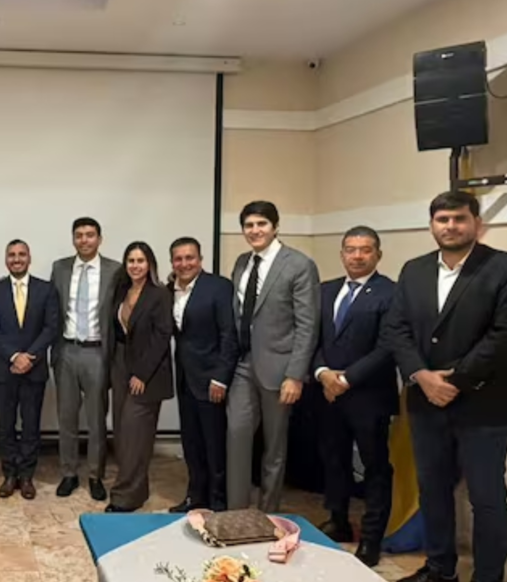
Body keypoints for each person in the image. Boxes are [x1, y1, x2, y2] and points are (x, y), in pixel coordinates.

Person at [384, 191, 507, 582]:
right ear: (432, 225)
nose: (450, 226)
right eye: (442, 219)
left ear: (476, 224)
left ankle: (488, 577)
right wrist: (421, 376)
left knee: (486, 499)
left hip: (484, 406)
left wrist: (455, 381)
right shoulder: (414, 270)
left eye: (459, 219)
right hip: (425, 402)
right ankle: (439, 570)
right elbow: (396, 329)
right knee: (433, 492)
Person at [227, 200, 320, 512]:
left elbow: (307, 325)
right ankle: (236, 512)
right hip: (243, 364)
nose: (255, 231)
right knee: (236, 435)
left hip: (280, 369)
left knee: (274, 446)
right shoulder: (242, 262)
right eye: (249, 225)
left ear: (275, 226)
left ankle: (268, 512)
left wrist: (295, 375)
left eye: (261, 224)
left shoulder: (299, 264)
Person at [312, 226, 396, 567]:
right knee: (334, 459)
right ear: (342, 253)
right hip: (327, 393)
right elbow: (313, 338)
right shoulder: (325, 290)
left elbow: (388, 346)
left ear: (378, 254)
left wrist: (346, 379)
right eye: (350, 249)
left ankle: (372, 537)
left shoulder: (391, 292)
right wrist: (322, 373)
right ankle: (338, 520)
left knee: (375, 467)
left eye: (365, 249)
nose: (357, 256)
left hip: (369, 396)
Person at [51, 217, 120, 501]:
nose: (84, 240)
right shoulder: (60, 268)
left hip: (97, 352)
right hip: (67, 350)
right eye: (78, 235)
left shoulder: (115, 270)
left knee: (96, 419)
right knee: (66, 417)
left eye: (90, 235)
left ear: (99, 239)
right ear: (73, 239)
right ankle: (68, 473)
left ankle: (95, 475)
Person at [167, 237, 238, 514]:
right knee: (191, 443)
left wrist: (221, 377)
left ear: (200, 259)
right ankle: (195, 497)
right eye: (178, 259)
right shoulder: (170, 290)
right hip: (185, 378)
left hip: (212, 380)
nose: (184, 263)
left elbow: (228, 335)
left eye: (190, 257)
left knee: (214, 444)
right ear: (172, 262)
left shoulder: (218, 287)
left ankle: (218, 502)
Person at [0, 239, 58, 500]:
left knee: (30, 425)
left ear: (29, 258)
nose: (17, 259)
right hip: (4, 369)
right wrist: (15, 356)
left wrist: (29, 357)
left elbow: (51, 327)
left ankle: (26, 476)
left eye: (21, 254)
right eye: (12, 255)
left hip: (34, 370)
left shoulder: (46, 289)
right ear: (6, 259)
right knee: (5, 425)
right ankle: (9, 474)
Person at [106, 242, 174, 513]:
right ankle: (138, 489)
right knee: (123, 433)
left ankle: (125, 497)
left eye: (141, 261)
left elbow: (162, 336)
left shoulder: (160, 294)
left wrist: (142, 374)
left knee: (136, 435)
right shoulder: (121, 290)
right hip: (120, 365)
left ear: (150, 264)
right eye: (131, 261)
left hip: (147, 372)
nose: (135, 266)